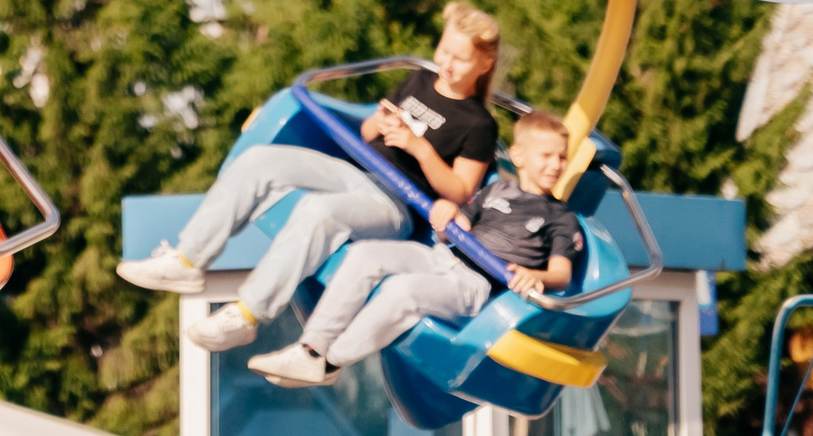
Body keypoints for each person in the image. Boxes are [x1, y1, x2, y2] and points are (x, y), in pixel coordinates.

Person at [118, 3, 504, 352]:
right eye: (444, 51)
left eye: (460, 59)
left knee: (320, 211)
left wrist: (420, 148)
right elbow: (368, 133)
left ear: (484, 65)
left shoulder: (479, 124)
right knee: (260, 161)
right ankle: (188, 260)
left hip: (395, 205)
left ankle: (248, 314)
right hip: (359, 171)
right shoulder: (419, 80)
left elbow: (461, 189)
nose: (447, 64)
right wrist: (379, 123)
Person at [245, 109, 585, 387]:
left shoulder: (560, 216)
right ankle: (310, 348)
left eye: (562, 158)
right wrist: (448, 214)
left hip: (472, 284)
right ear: (519, 155)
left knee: (402, 290)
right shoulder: (495, 191)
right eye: (547, 156)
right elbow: (459, 223)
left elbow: (561, 273)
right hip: (441, 257)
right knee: (366, 255)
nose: (556, 165)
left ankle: (331, 362)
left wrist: (533, 275)